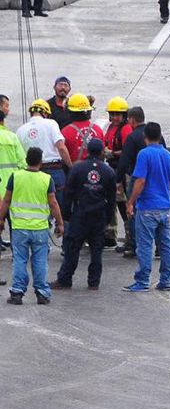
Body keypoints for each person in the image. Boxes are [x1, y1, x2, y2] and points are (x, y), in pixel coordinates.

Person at [0, 147, 64, 305]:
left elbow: (6, 200)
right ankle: (42, 293)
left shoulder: (15, 177)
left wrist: (1, 219)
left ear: (27, 160)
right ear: (41, 162)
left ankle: (17, 292)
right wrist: (60, 223)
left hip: (19, 228)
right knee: (40, 260)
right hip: (40, 229)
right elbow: (53, 203)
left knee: (20, 260)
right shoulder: (46, 179)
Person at [51, 139, 115, 291]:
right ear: (101, 153)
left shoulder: (77, 169)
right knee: (96, 250)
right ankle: (94, 282)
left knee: (72, 248)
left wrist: (66, 216)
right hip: (99, 215)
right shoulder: (108, 171)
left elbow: (68, 194)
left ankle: (65, 279)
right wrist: (108, 217)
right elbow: (111, 199)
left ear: (87, 151)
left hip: (80, 215)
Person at [123, 123, 170, 292]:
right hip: (164, 207)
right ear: (160, 136)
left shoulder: (144, 154)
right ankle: (166, 280)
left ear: (145, 137)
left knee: (144, 245)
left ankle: (143, 281)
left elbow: (140, 180)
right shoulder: (168, 155)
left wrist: (131, 202)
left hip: (147, 207)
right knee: (165, 245)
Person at [116, 107, 165, 257]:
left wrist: (118, 181)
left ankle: (133, 245)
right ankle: (159, 247)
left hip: (136, 178)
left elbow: (124, 161)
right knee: (156, 211)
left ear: (131, 119)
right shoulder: (158, 136)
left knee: (133, 210)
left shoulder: (132, 137)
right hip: (156, 178)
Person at [16, 98, 73, 209]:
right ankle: (61, 226)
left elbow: (20, 157)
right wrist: (71, 166)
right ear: (45, 113)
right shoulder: (51, 124)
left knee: (38, 207)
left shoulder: (20, 130)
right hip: (54, 171)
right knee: (61, 209)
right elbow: (61, 147)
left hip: (32, 173)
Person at [0, 95, 28, 286]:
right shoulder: (11, 137)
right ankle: (18, 261)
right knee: (14, 226)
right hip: (11, 190)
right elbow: (23, 163)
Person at [103, 97, 133, 249]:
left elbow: (128, 150)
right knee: (111, 202)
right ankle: (110, 235)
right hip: (112, 168)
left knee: (123, 204)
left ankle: (130, 238)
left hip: (122, 170)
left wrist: (113, 153)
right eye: (113, 114)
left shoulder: (125, 129)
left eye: (118, 114)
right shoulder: (110, 127)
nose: (115, 117)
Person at [61, 93, 105, 163]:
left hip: (75, 171)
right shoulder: (98, 130)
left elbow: (62, 154)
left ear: (69, 111)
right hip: (96, 171)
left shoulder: (65, 132)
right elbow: (102, 153)